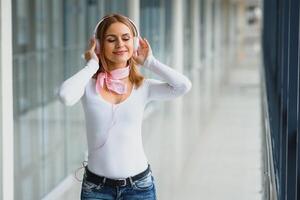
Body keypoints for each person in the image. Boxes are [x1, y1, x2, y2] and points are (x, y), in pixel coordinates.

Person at [58, 13, 192, 200]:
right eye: (111, 39)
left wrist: (150, 62)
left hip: (139, 187)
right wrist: (91, 65)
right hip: (97, 189)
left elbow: (183, 86)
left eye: (126, 38)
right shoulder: (87, 86)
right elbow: (65, 96)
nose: (120, 44)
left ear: (135, 43)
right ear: (98, 46)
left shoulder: (143, 86)